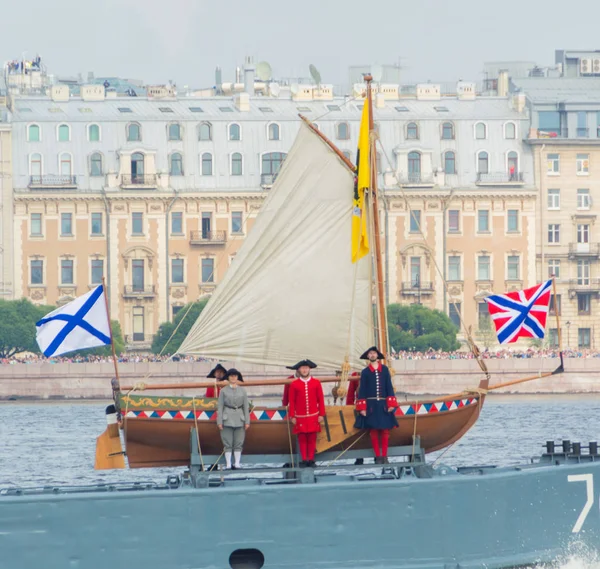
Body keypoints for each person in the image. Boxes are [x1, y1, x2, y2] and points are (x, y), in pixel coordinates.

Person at [354, 346, 398, 464]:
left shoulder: (384, 369)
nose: (372, 355)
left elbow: (389, 387)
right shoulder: (365, 372)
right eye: (370, 354)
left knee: (385, 430)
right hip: (371, 405)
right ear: (368, 356)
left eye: (374, 353)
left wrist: (391, 403)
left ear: (377, 356)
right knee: (373, 430)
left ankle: (384, 456)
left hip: (383, 404)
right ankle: (378, 456)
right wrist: (362, 407)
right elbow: (362, 390)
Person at [287, 359, 325, 468]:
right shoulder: (294, 384)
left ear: (309, 369)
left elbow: (320, 399)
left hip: (313, 416)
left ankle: (311, 459)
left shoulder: (316, 383)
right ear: (299, 369)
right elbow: (292, 401)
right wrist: (292, 416)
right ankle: (304, 459)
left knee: (312, 438)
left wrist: (321, 414)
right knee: (302, 439)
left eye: (306, 368)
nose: (304, 370)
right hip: (300, 417)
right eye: (302, 368)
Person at [217, 368, 250, 470]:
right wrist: (219, 421)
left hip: (240, 419)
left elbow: (246, 407)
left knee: (238, 442)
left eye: (235, 376)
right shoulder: (223, 391)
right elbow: (220, 406)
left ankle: (237, 463)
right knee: (227, 442)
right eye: (231, 376)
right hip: (227, 418)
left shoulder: (243, 391)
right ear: (228, 377)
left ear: (237, 377)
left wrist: (247, 421)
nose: (233, 377)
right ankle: (228, 463)